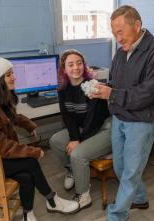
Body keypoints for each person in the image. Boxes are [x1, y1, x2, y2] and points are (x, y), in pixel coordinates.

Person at [0, 55, 79, 221]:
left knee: (26, 176)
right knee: (31, 162)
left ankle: (28, 214)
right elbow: (1, 146)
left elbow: (11, 117)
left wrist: (28, 124)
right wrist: (33, 151)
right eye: (9, 74)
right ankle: (53, 201)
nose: (14, 77)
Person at [91, 5, 154, 221]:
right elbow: (116, 84)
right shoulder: (120, 52)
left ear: (137, 25)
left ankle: (117, 215)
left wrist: (112, 94)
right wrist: (101, 90)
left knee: (130, 172)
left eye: (120, 31)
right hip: (120, 117)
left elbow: (146, 94)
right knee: (120, 166)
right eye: (114, 33)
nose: (117, 38)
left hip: (142, 122)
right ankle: (139, 197)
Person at [50, 49, 112, 210]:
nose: (76, 67)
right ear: (64, 69)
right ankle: (72, 170)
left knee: (77, 154)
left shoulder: (92, 87)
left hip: (104, 128)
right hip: (84, 128)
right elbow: (67, 117)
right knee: (55, 141)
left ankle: (83, 196)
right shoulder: (63, 89)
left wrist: (78, 141)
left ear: (84, 66)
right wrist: (74, 138)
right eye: (70, 64)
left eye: (79, 63)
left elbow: (94, 120)